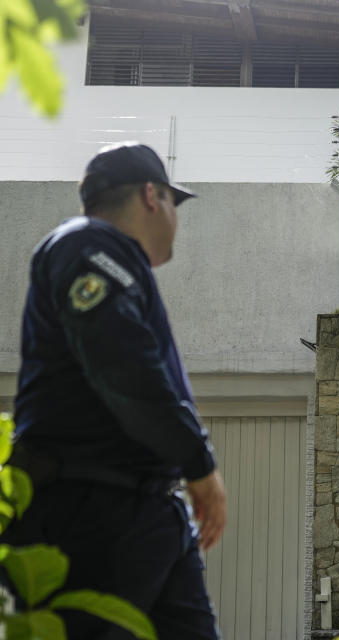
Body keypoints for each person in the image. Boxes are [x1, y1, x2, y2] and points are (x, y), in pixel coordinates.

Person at [6, 142, 227, 639]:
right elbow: (122, 363)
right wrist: (199, 463)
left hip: (148, 511)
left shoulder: (116, 261)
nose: (176, 219)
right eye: (175, 203)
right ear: (153, 195)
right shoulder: (86, 244)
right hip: (88, 510)